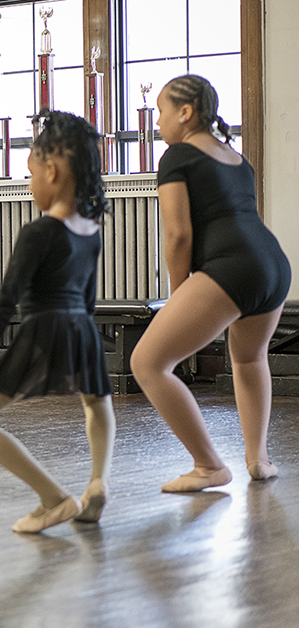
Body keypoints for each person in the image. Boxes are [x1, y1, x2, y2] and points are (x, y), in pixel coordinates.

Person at [0, 110, 115, 533]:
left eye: (30, 173)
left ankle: (53, 498)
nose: (28, 183)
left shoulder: (39, 232)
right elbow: (87, 300)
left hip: (43, 328)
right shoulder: (91, 229)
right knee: (96, 402)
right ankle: (98, 482)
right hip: (82, 329)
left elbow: (4, 302)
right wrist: (85, 340)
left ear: (51, 171)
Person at [130, 75, 290, 492]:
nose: (157, 121)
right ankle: (259, 460)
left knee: (147, 363)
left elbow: (178, 234)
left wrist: (178, 291)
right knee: (250, 359)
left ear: (185, 113)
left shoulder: (177, 156)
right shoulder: (236, 158)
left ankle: (208, 465)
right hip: (272, 264)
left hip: (230, 266)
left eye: (162, 111)